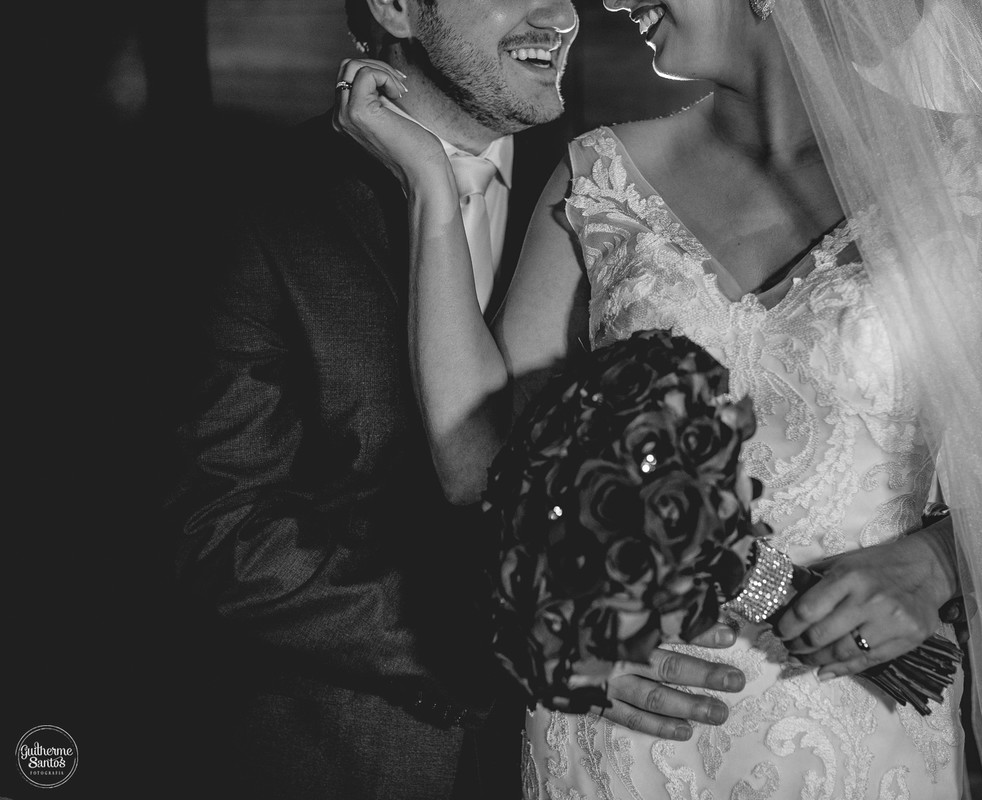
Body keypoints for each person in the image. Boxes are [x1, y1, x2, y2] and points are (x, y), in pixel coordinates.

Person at [336, 0, 982, 797]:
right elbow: (477, 464)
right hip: (618, 733)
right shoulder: (598, 176)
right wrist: (429, 194)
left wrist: (937, 563)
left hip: (853, 737)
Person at [166, 0, 755, 797]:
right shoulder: (258, 209)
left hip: (621, 760)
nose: (564, 14)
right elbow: (222, 530)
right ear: (398, 8)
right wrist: (520, 636)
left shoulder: (612, 188)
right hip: (356, 761)